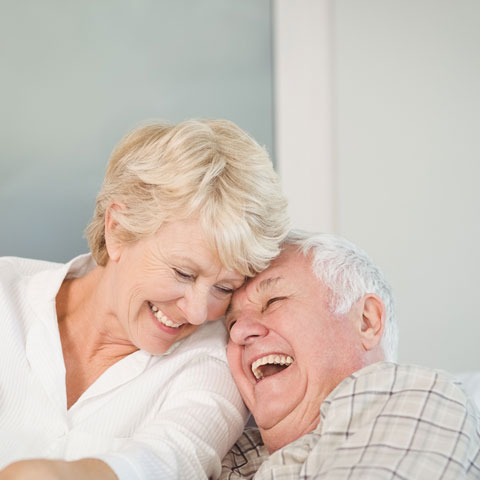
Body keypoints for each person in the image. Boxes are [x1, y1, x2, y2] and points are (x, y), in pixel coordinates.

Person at [0, 119, 289, 480]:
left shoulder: (212, 363)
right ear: (118, 230)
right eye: (184, 273)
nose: (199, 313)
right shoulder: (5, 293)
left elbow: (171, 459)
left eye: (224, 288)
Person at [221, 230, 480, 479]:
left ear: (366, 321)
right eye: (231, 324)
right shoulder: (222, 450)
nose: (239, 332)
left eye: (273, 301)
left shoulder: (419, 394)